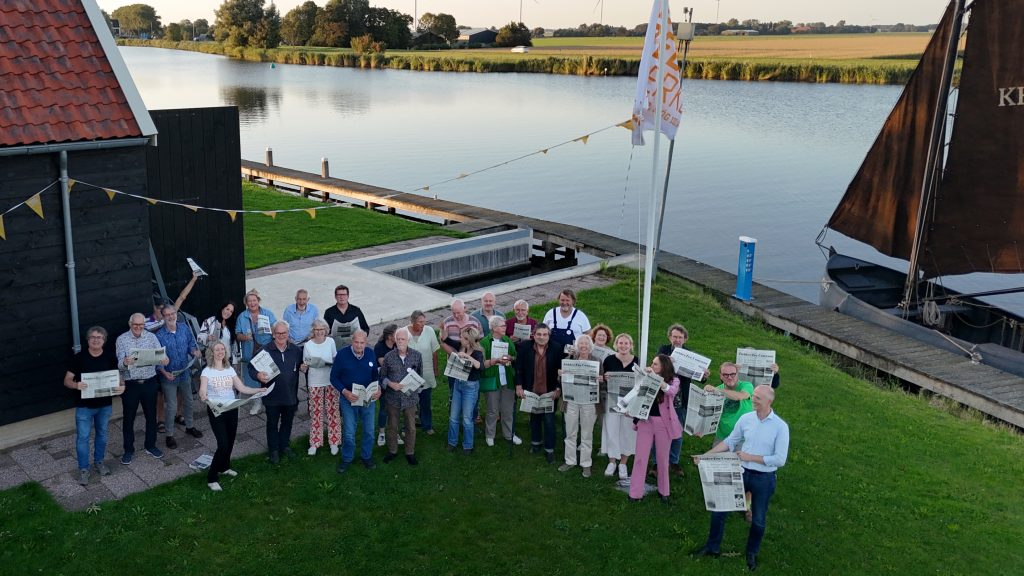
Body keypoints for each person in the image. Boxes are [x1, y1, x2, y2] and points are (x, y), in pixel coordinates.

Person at [692, 385, 789, 572]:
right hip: (741, 473)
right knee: (720, 510)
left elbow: (780, 459)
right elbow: (729, 441)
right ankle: (712, 547)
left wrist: (749, 457)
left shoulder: (780, 427)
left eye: (758, 398)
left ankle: (751, 553)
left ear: (769, 401)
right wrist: (706, 456)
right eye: (754, 397)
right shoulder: (746, 419)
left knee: (759, 519)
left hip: (764, 479)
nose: (753, 400)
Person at [198, 341, 263, 491]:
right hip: (217, 411)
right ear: (211, 353)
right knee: (223, 444)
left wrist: (259, 391)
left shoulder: (230, 369)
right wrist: (204, 396)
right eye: (217, 350)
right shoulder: (207, 371)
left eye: (222, 349)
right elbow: (202, 390)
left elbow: (241, 388)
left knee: (231, 440)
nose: (220, 352)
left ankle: (224, 467)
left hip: (232, 408)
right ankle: (212, 478)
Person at [64, 327, 125, 486]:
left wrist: (122, 386)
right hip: (84, 406)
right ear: (88, 339)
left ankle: (99, 462)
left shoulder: (110, 357)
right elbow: (67, 380)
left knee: (102, 434)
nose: (96, 340)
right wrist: (76, 385)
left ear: (104, 340)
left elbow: (119, 378)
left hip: (104, 405)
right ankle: (84, 469)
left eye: (99, 337)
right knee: (83, 438)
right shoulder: (79, 358)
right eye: (92, 337)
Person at [248, 320, 307, 464]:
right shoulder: (264, 351)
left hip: (290, 395)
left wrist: (303, 367)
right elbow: (251, 368)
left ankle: (284, 446)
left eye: (284, 333)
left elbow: (300, 365)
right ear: (273, 334)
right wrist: (257, 375)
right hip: (271, 396)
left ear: (288, 334)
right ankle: (273, 450)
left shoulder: (296, 350)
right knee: (272, 424)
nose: (281, 335)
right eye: (278, 333)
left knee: (288, 422)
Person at [115, 313, 169, 464]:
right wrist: (125, 362)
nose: (138, 328)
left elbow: (161, 356)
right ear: (130, 324)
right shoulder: (122, 339)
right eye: (135, 325)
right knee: (128, 418)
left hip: (149, 382)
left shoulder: (151, 337)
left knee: (151, 416)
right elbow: (119, 364)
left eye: (141, 325)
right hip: (131, 384)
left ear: (144, 325)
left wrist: (164, 359)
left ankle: (150, 446)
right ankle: (128, 450)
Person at [628, 354, 682, 503]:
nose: (652, 366)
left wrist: (654, 378)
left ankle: (664, 491)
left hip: (663, 424)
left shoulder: (674, 380)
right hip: (645, 421)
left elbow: (671, 391)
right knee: (640, 457)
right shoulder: (646, 376)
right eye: (652, 363)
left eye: (655, 364)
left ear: (664, 366)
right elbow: (636, 394)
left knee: (663, 459)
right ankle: (635, 493)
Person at [330, 330, 381, 473]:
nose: (359, 346)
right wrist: (345, 392)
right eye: (356, 342)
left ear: (366, 342)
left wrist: (378, 389)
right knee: (349, 432)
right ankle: (347, 458)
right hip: (348, 398)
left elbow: (375, 376)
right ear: (352, 341)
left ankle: (366, 456)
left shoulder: (370, 353)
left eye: (362, 343)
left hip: (367, 398)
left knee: (369, 431)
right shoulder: (342, 355)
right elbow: (333, 378)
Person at [155, 304, 203, 449]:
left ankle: (190, 426)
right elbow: (157, 359)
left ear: (176, 314)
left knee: (189, 400)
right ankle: (169, 435)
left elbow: (190, 344)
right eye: (167, 315)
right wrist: (164, 372)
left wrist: (194, 351)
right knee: (172, 406)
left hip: (184, 372)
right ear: (163, 317)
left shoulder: (184, 328)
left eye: (173, 313)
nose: (171, 316)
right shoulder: (159, 336)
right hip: (168, 376)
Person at [515, 323, 561, 463]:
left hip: (549, 391)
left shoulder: (556, 348)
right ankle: (535, 443)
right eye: (539, 334)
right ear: (533, 335)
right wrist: (519, 386)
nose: (542, 337)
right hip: (532, 390)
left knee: (549, 421)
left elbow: (561, 370)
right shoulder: (524, 347)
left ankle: (549, 449)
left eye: (545, 334)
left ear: (549, 335)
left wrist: (558, 388)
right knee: (534, 419)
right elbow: (519, 368)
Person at [558, 334, 600, 477]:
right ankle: (570, 461)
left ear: (590, 346)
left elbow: (603, 383)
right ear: (577, 346)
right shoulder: (569, 360)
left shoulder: (597, 361)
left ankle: (586, 463)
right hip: (571, 401)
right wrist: (560, 374)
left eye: (586, 344)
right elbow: (560, 381)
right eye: (581, 344)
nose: (583, 346)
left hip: (589, 402)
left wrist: (600, 379)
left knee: (587, 434)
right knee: (570, 433)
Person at [381, 327, 424, 465]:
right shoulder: (388, 357)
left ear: (408, 340)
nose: (400, 341)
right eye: (398, 339)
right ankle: (392, 450)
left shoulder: (417, 356)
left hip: (410, 399)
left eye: (403, 339)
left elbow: (420, 376)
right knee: (392, 426)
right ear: (394, 340)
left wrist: (415, 386)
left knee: (411, 427)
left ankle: (410, 452)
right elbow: (381, 377)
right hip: (392, 398)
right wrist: (390, 383)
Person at [601, 333, 639, 480]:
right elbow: (603, 380)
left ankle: (623, 462)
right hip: (612, 400)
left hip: (630, 403)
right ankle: (612, 461)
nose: (623, 346)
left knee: (628, 431)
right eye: (620, 343)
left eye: (626, 343)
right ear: (616, 345)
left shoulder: (637, 361)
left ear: (631, 345)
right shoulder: (609, 360)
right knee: (611, 429)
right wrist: (605, 378)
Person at [480, 316, 520, 447]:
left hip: (507, 380)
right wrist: (495, 361)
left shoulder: (507, 340)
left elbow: (515, 356)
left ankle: (509, 434)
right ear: (494, 327)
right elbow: (481, 364)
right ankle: (490, 435)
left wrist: (511, 358)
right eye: (502, 326)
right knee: (492, 410)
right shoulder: (485, 343)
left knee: (508, 410)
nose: (505, 328)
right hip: (493, 381)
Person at [236, 289, 276, 416]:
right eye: (249, 301)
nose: (252, 303)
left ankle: (271, 400)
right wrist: (245, 337)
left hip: (266, 350)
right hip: (250, 351)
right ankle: (257, 402)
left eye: (254, 300)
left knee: (270, 375)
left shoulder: (268, 313)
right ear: (246, 303)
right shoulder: (242, 316)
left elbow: (276, 329)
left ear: (258, 301)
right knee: (252, 378)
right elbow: (237, 334)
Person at [304, 319, 339, 456]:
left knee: (332, 412)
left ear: (326, 330)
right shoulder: (308, 345)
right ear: (313, 331)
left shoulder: (330, 342)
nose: (319, 332)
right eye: (316, 330)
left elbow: (335, 358)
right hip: (314, 381)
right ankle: (315, 442)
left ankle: (334, 441)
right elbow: (306, 363)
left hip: (330, 381)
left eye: (321, 329)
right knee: (316, 413)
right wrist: (304, 366)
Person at [447, 326, 484, 454]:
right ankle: (452, 442)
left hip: (470, 387)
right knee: (453, 416)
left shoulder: (477, 352)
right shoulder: (461, 346)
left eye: (462, 337)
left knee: (467, 418)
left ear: (469, 340)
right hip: (458, 384)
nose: (460, 339)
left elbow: (480, 366)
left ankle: (468, 445)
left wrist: (468, 358)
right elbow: (447, 340)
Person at [406, 310, 440, 436]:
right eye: (420, 322)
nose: (423, 324)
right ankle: (407, 427)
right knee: (409, 403)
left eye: (424, 321)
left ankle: (427, 425)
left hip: (426, 373)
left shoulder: (429, 331)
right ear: (413, 322)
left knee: (426, 402)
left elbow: (434, 352)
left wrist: (436, 369)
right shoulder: (404, 332)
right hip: (409, 376)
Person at [708, 362, 754, 446]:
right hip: (722, 437)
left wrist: (718, 391)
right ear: (721, 376)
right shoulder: (717, 390)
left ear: (737, 374)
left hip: (743, 438)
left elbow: (741, 396)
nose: (729, 377)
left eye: (732, 374)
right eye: (725, 375)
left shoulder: (746, 385)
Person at [373, 324, 398, 447]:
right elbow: (385, 365)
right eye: (395, 334)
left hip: (396, 381)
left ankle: (394, 431)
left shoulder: (397, 345)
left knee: (395, 408)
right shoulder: (379, 347)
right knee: (383, 408)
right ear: (389, 336)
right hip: (384, 382)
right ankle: (382, 432)